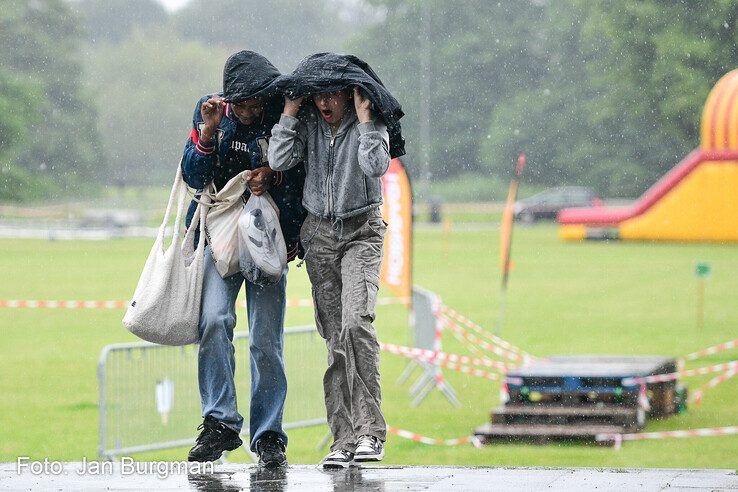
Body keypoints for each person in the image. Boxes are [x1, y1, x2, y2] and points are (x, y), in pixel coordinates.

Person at [268, 55, 396, 468]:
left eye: (333, 93)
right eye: (317, 94)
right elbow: (279, 160)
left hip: (362, 230)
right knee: (335, 337)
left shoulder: (370, 123)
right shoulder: (306, 122)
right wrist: (289, 113)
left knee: (357, 322)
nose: (325, 101)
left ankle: (370, 432)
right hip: (319, 236)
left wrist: (364, 122)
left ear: (350, 93)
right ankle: (342, 439)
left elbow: (376, 166)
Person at [181, 50, 305, 467]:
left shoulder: (281, 115)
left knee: (266, 340)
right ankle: (220, 423)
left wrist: (274, 175)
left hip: (269, 239)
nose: (251, 110)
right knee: (214, 321)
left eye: (257, 102)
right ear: (231, 98)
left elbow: (301, 178)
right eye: (244, 104)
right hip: (218, 239)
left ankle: (269, 435)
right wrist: (209, 133)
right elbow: (193, 177)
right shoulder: (211, 111)